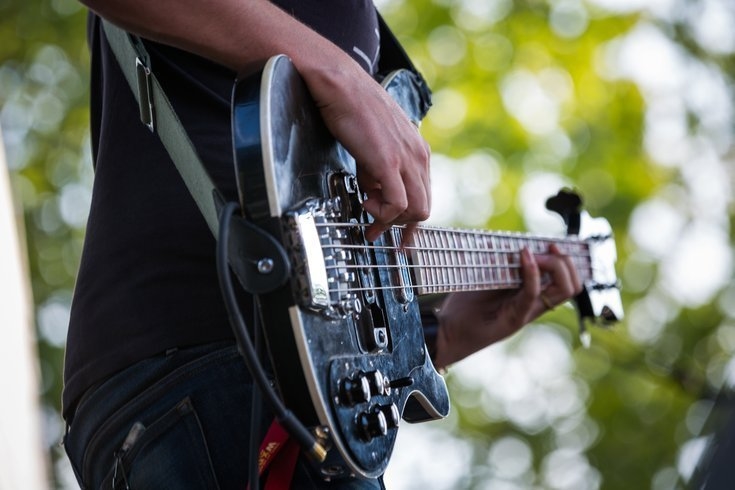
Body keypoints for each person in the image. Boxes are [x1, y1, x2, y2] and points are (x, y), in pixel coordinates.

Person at [62, 1, 582, 488]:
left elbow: (336, 235)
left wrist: (437, 337)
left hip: (257, 387)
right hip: (209, 369)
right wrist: (338, 73)